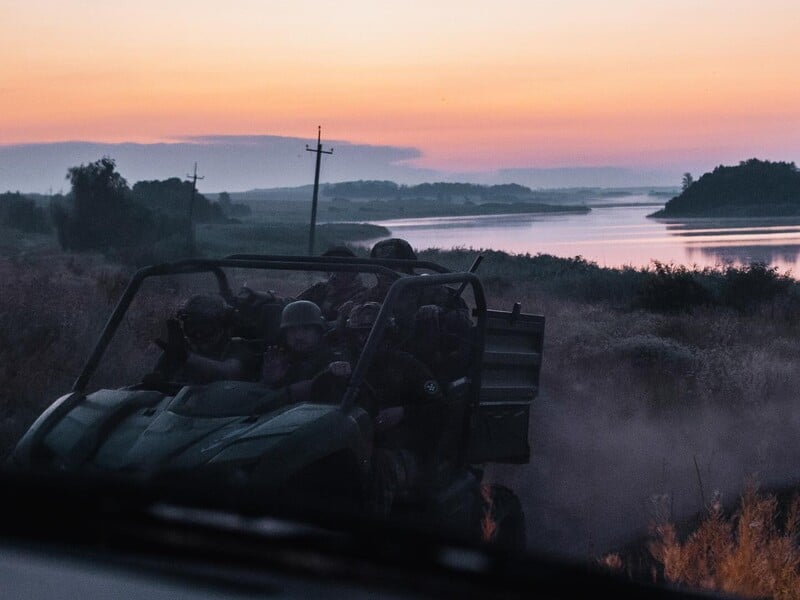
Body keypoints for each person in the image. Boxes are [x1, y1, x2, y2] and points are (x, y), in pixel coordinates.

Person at [339, 301, 446, 516]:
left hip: (401, 449)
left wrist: (404, 413)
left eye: (372, 333)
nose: (365, 340)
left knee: (380, 466)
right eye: (360, 334)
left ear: (387, 334)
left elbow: (440, 409)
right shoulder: (344, 363)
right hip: (353, 445)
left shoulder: (406, 365)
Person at [150, 294, 261, 385]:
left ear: (223, 326)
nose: (198, 335)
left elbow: (229, 371)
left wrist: (186, 357)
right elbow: (159, 380)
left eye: (206, 328)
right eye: (192, 327)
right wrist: (156, 382)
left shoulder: (237, 347)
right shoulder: (178, 351)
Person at [260, 300, 351, 400]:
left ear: (319, 330)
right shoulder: (284, 359)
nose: (298, 336)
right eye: (292, 330)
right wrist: (273, 382)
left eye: (306, 329)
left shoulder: (332, 358)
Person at [295, 245, 369, 321]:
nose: (335, 273)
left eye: (342, 267)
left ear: (353, 271)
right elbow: (295, 303)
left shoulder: (363, 294)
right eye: (331, 266)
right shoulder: (320, 289)